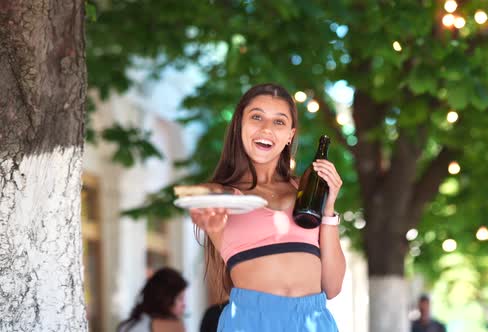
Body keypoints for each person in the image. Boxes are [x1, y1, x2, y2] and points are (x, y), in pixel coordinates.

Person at [189, 83, 346, 331]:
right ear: (240, 123)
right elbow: (199, 202)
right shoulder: (223, 194)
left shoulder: (304, 191)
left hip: (314, 321)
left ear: (290, 135)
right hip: (251, 321)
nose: (266, 129)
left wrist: (328, 210)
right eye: (257, 117)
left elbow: (333, 286)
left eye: (279, 122)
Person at [117, 267, 188, 332]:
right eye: (180, 298)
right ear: (165, 298)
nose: (184, 305)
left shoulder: (127, 326)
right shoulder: (173, 327)